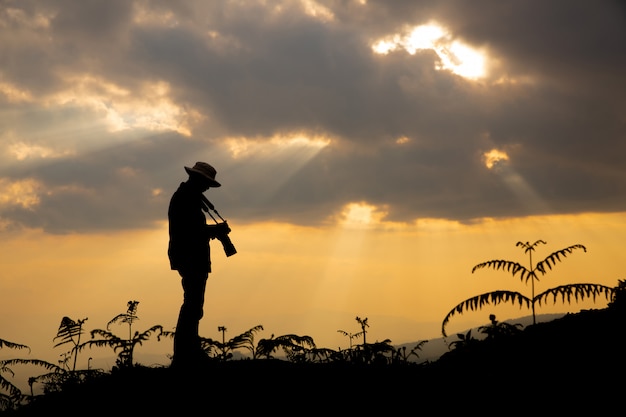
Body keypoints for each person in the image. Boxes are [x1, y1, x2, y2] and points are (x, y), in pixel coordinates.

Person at [167, 161, 231, 368]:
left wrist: (213, 231)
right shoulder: (186, 199)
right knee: (192, 306)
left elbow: (192, 230)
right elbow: (191, 232)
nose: (206, 188)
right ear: (198, 180)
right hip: (190, 257)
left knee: (193, 305)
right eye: (205, 184)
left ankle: (188, 353)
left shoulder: (187, 197)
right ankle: (185, 355)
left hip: (190, 256)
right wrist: (216, 231)